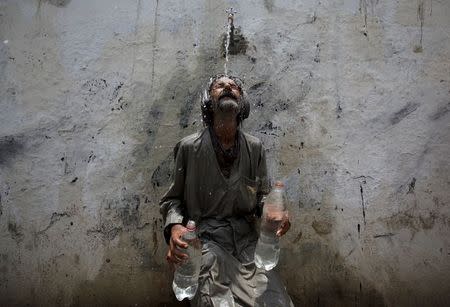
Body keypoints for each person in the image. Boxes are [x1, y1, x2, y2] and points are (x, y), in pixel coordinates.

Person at [160, 74, 293, 306]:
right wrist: (175, 228)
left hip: (248, 244)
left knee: (276, 302)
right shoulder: (189, 148)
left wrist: (274, 214)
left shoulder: (255, 147)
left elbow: (261, 197)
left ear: (242, 102)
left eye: (234, 87)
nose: (228, 88)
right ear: (208, 101)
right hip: (206, 242)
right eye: (219, 85)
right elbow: (172, 201)